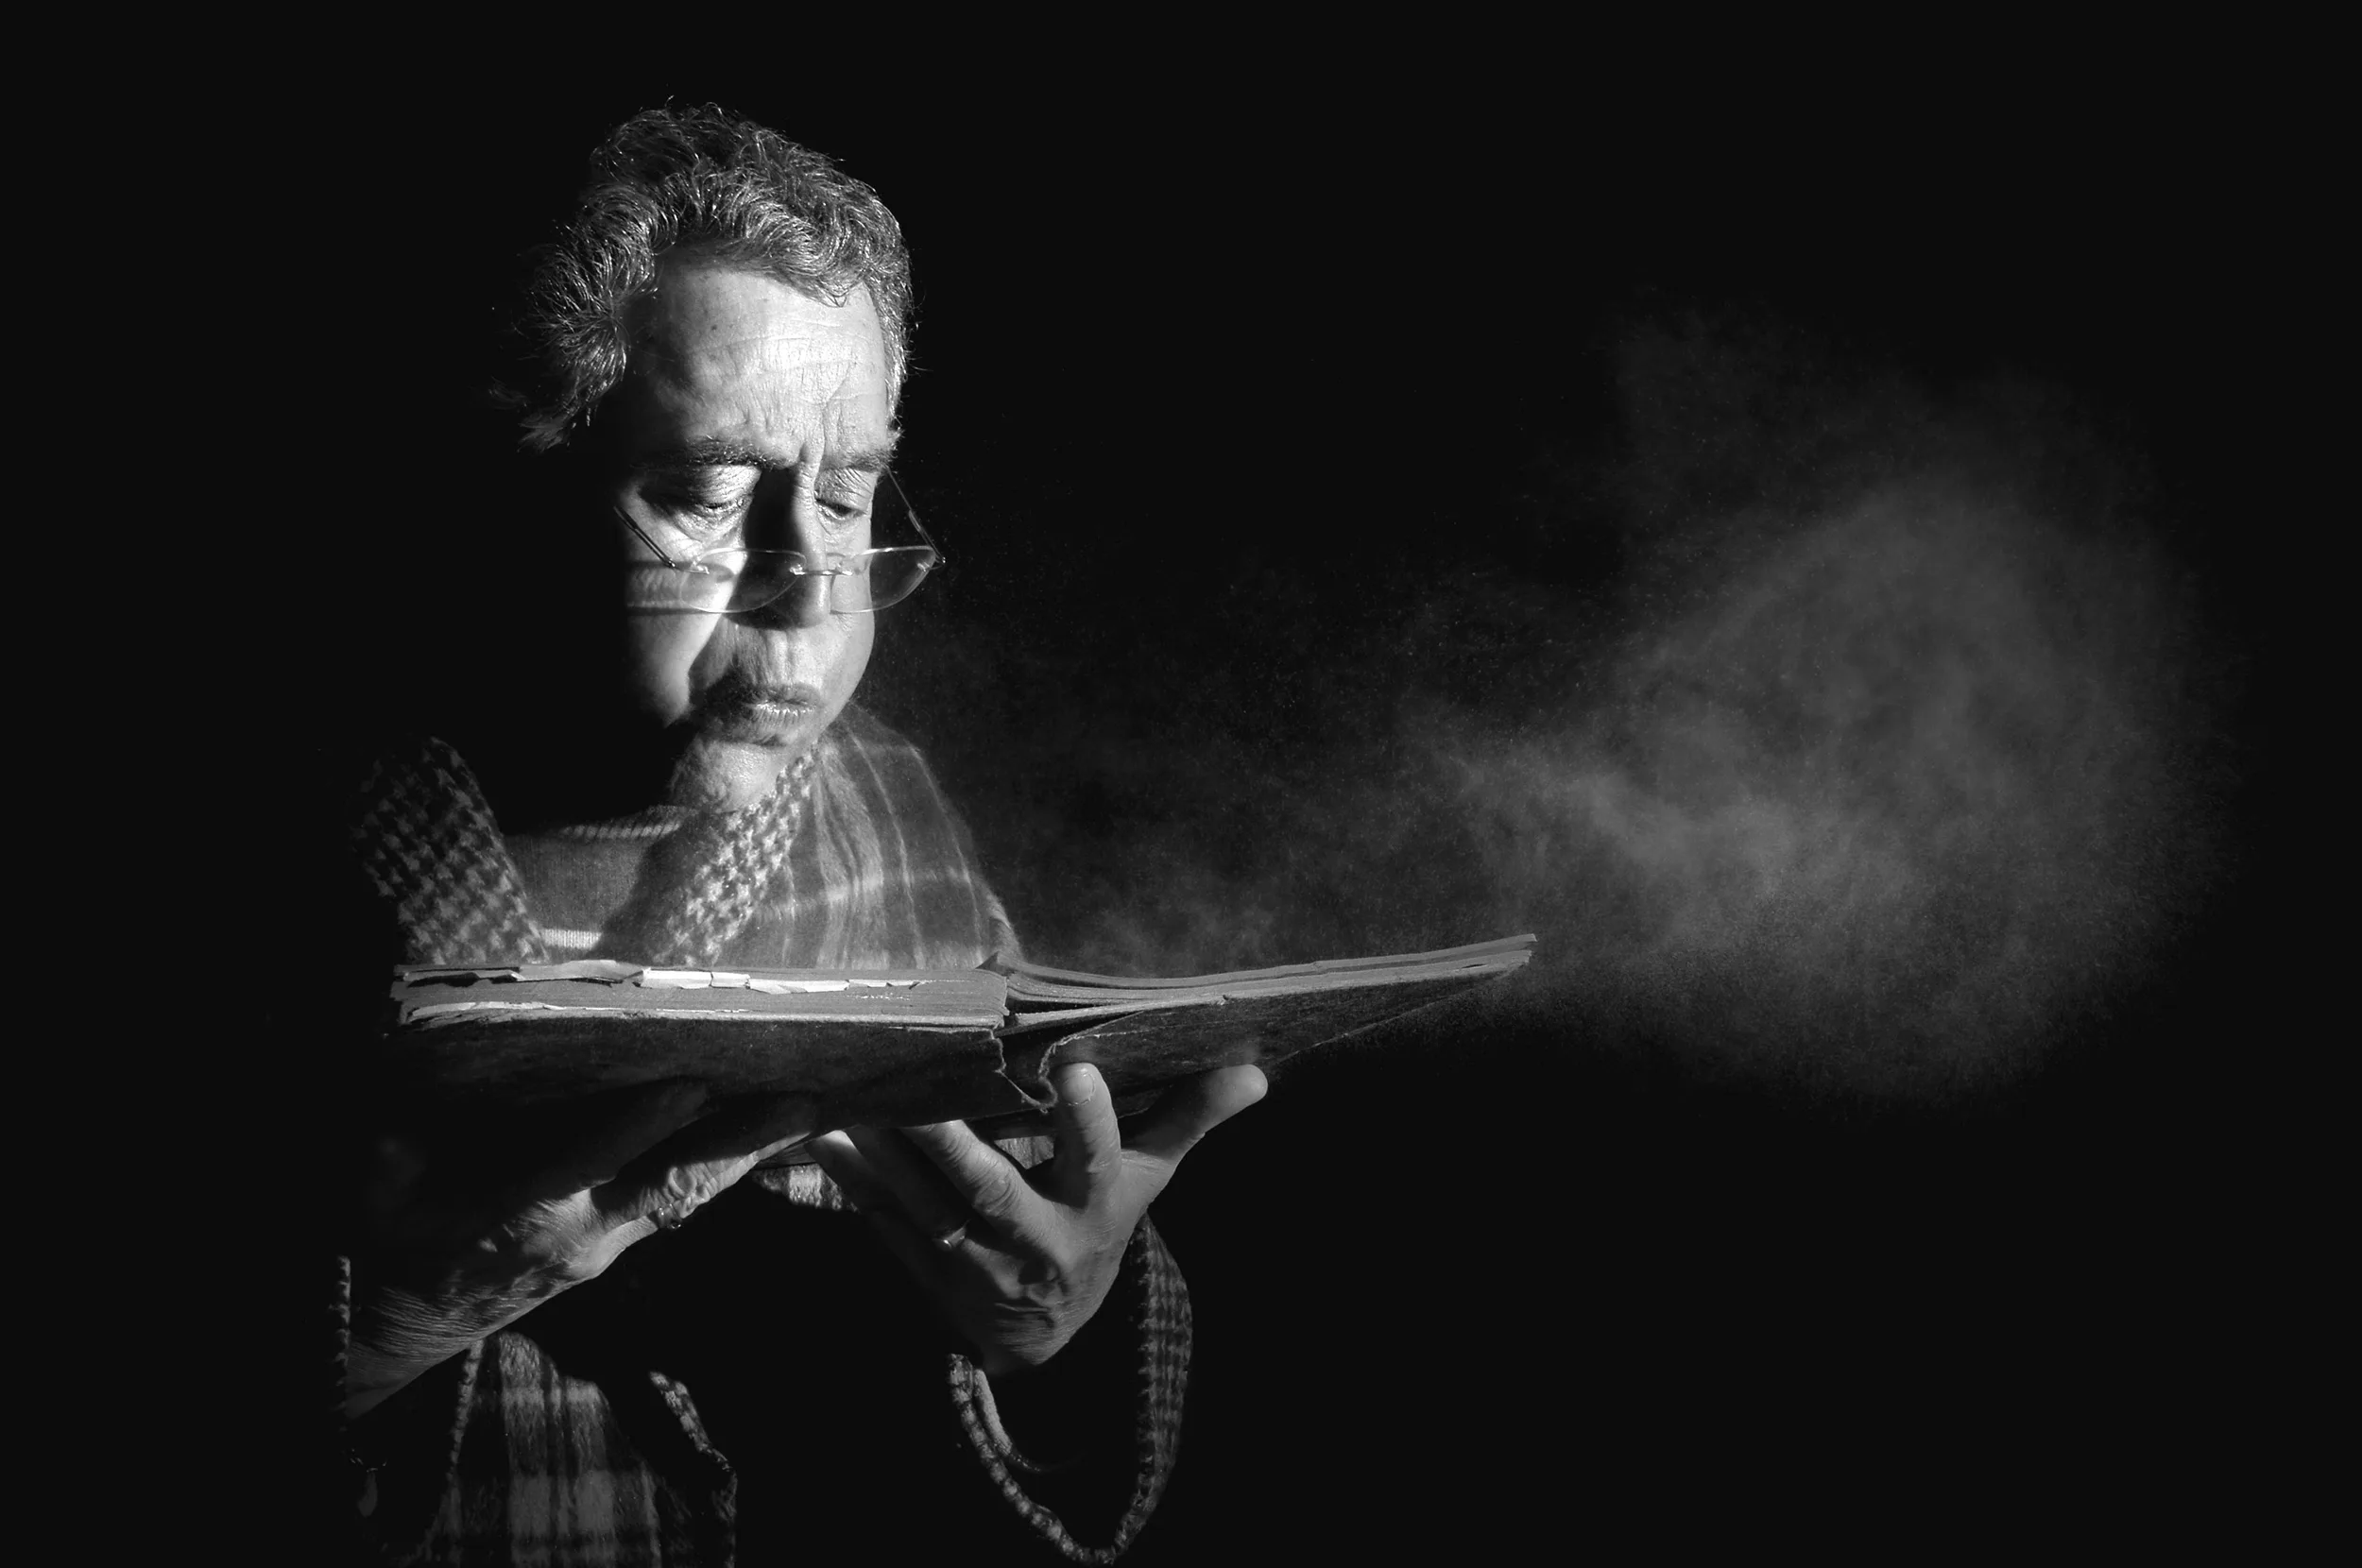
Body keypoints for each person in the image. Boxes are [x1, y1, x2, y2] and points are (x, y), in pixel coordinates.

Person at [330, 104, 1266, 1566]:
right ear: (517, 493)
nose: (814, 590)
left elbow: (993, 1341)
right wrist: (379, 1336)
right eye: (708, 498)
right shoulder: (245, 847)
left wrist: (1056, 1333)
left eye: (846, 495)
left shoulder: (878, 811)